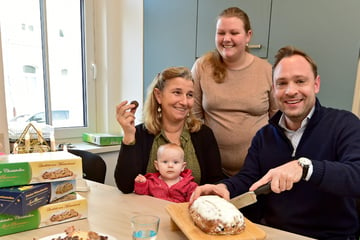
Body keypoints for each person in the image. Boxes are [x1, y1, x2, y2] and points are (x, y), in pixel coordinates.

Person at [190, 46, 360, 240]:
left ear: (316, 84)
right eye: (281, 83)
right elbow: (249, 179)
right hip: (273, 234)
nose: (290, 91)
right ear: (274, 89)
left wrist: (305, 168)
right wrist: (225, 187)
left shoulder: (345, 124)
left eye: (300, 81)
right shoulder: (264, 136)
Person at [191, 7, 278, 176]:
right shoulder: (202, 66)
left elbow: (276, 119)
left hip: (257, 169)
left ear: (248, 36)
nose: (226, 39)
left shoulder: (267, 70)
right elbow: (194, 116)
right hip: (211, 168)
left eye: (234, 33)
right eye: (221, 33)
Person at [115, 66, 224, 194]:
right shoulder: (140, 134)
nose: (184, 102)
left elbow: (215, 182)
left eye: (189, 95)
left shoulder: (203, 134)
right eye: (177, 92)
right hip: (149, 212)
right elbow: (125, 186)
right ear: (158, 95)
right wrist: (128, 136)